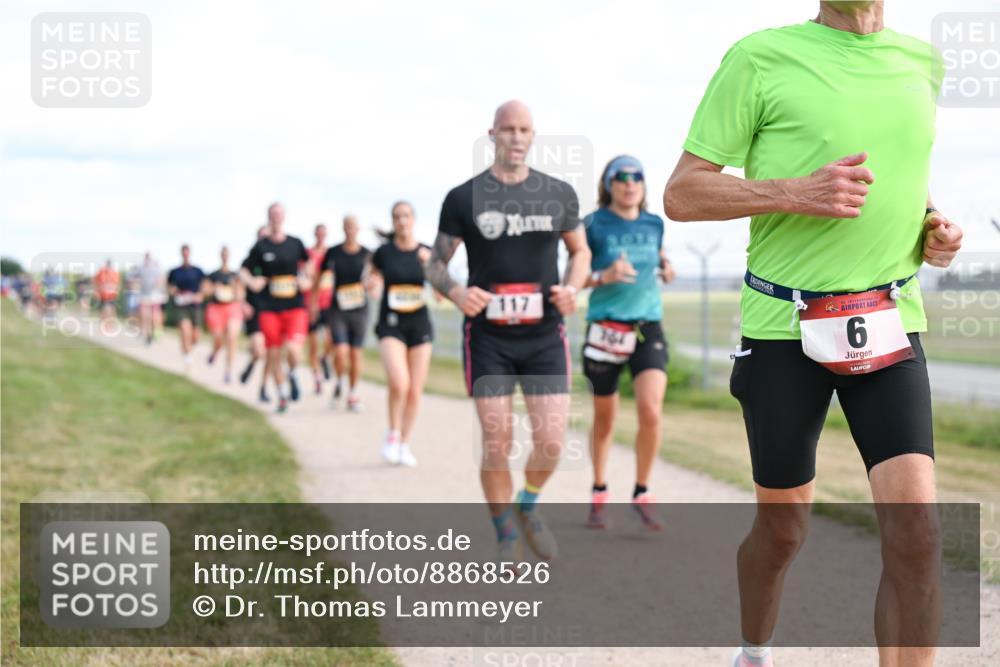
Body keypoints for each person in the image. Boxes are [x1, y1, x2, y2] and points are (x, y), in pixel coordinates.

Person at [662, 2, 964, 666]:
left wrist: (932, 225)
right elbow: (683, 194)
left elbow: (902, 180)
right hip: (783, 330)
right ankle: (753, 649)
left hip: (889, 322)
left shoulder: (923, 62)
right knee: (782, 530)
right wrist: (796, 192)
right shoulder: (759, 57)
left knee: (918, 534)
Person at [425, 100, 590, 563]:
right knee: (498, 441)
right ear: (492, 135)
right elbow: (435, 263)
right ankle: (505, 535)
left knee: (553, 440)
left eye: (525, 129)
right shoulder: (464, 198)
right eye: (508, 129)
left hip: (543, 336)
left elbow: (580, 253)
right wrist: (457, 293)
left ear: (533, 136)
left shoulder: (557, 193)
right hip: (489, 338)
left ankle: (528, 505)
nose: (517, 137)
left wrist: (572, 288)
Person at [581, 155, 675, 531]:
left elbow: (660, 255)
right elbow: (574, 275)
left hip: (646, 327)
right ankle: (600, 489)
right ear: (609, 184)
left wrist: (666, 267)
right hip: (605, 327)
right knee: (605, 419)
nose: (629, 182)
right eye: (621, 177)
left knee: (651, 411)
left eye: (636, 176)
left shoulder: (655, 224)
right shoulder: (592, 225)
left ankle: (641, 492)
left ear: (643, 184)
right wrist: (604, 275)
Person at [369, 202, 432, 467]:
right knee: (399, 382)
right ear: (392, 221)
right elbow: (370, 277)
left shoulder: (426, 252)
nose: (401, 221)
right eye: (396, 217)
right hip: (391, 323)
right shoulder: (384, 252)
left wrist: (431, 266)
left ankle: (404, 444)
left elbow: (442, 289)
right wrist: (372, 283)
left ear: (414, 219)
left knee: (415, 391)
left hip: (419, 324)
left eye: (405, 216)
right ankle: (392, 434)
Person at [240, 203, 311, 413]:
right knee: (272, 354)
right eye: (273, 214)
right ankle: (281, 393)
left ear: (284, 217)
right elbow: (243, 271)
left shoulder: (296, 243)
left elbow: (308, 266)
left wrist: (306, 279)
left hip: (295, 306)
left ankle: (294, 374)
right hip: (269, 307)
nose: (276, 217)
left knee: (293, 350)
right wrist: (252, 281)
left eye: (280, 214)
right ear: (268, 217)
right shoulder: (261, 247)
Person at [321, 214, 372, 411]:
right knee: (341, 352)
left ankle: (353, 393)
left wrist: (372, 285)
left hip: (359, 310)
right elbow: (320, 275)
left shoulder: (367, 254)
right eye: (347, 226)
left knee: (355, 354)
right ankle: (339, 381)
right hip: (338, 309)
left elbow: (375, 276)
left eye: (354, 226)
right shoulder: (333, 252)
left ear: (358, 229)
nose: (350, 230)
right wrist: (316, 301)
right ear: (343, 229)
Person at [239, 225, 272, 402]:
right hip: (254, 311)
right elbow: (240, 282)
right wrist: (243, 303)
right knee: (260, 350)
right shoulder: (250, 260)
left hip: (273, 310)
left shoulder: (278, 258)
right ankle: (252, 363)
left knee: (271, 353)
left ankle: (264, 387)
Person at [204, 246, 245, 383]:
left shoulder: (235, 275)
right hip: (216, 308)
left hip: (232, 308)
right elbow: (205, 292)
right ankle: (214, 353)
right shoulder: (213, 275)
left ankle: (228, 371)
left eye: (227, 254)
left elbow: (240, 295)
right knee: (218, 339)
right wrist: (214, 288)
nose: (225, 256)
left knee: (232, 338)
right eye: (223, 254)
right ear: (220, 256)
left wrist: (234, 288)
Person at [304, 223, 334, 394]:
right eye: (319, 233)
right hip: (312, 303)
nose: (321, 236)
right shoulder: (308, 255)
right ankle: (316, 377)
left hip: (329, 303)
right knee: (313, 344)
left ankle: (325, 358)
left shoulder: (331, 254)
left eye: (324, 233)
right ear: (315, 234)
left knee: (331, 341)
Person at [166, 244, 206, 371]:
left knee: (196, 336)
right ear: (181, 254)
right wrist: (174, 292)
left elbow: (205, 286)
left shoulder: (198, 271)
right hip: (181, 305)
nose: (185, 255)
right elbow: (169, 288)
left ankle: (187, 347)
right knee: (185, 330)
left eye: (187, 253)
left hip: (195, 306)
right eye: (183, 253)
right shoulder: (174, 272)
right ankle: (187, 356)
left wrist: (200, 295)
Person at [138, 252, 165, 345]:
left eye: (148, 258)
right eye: (146, 258)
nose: (147, 260)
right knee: (145, 316)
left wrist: (158, 284)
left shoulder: (156, 268)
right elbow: (135, 279)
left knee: (155, 316)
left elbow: (161, 279)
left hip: (155, 296)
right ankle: (148, 334)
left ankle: (156, 332)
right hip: (144, 295)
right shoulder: (141, 269)